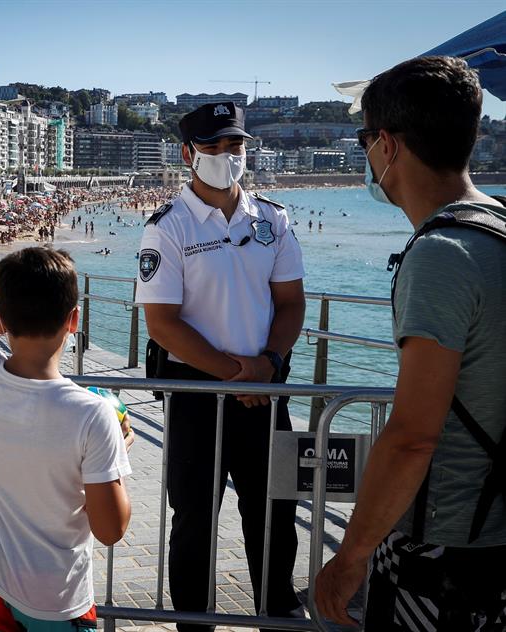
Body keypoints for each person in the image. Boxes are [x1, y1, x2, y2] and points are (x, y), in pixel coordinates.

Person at [315, 56, 506, 630]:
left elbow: (413, 436)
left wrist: (349, 558)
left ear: (388, 148)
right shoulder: (498, 227)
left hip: (444, 546)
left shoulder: (442, 254)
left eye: (364, 140)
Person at [135, 101, 306, 630]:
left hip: (265, 390)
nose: (226, 156)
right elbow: (162, 324)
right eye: (212, 146)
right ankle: (194, 624)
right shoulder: (168, 227)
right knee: (193, 519)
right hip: (197, 396)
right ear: (188, 154)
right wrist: (236, 375)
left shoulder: (272, 220)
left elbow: (291, 303)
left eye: (235, 145)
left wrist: (270, 364)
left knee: (275, 514)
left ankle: (277, 615)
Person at [0, 247, 134, 631]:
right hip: (57, 599)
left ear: (3, 317)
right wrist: (117, 452)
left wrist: (14, 291)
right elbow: (111, 530)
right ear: (73, 319)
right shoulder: (93, 414)